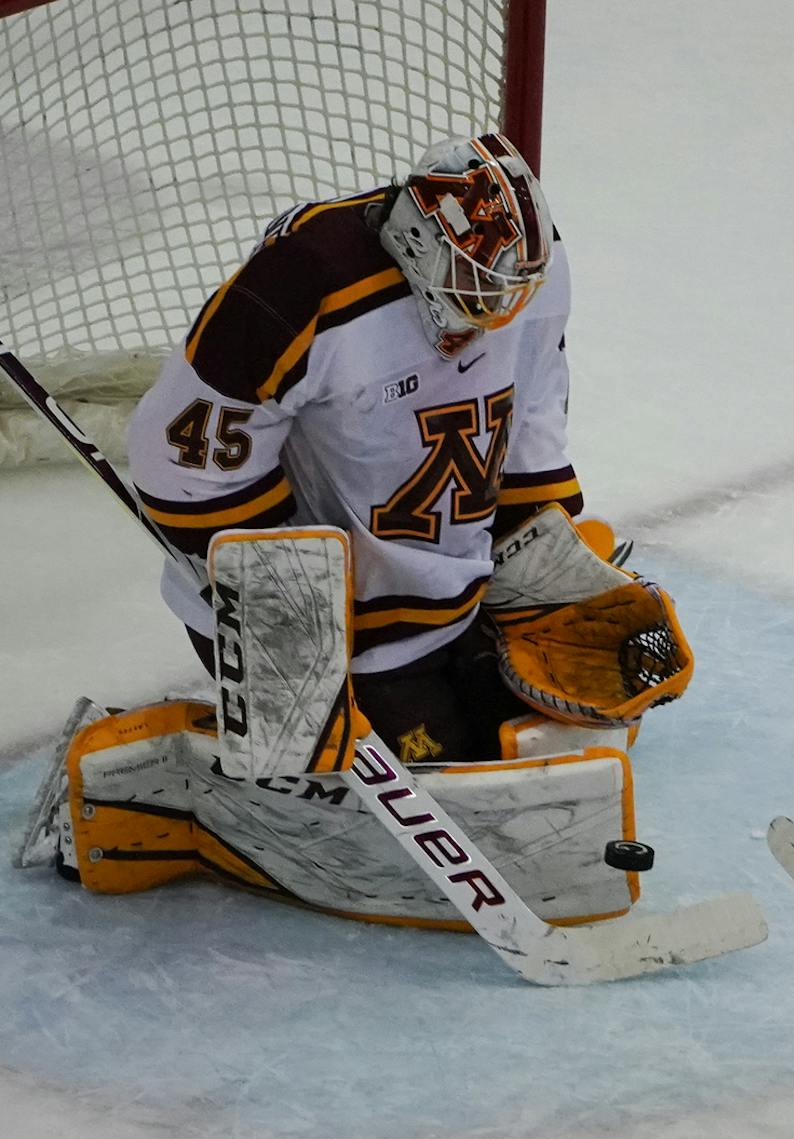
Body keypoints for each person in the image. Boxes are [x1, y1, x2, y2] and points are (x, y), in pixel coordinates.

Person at [123, 131, 619, 765]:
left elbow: (534, 405)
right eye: (477, 289)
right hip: (337, 624)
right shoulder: (302, 285)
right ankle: (186, 797)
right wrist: (286, 610)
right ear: (417, 244)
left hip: (455, 594)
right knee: (450, 773)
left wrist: (536, 539)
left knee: (550, 737)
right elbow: (175, 459)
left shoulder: (527, 274)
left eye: (510, 292)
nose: (497, 313)